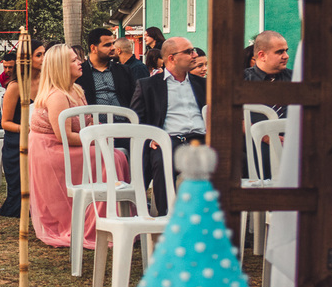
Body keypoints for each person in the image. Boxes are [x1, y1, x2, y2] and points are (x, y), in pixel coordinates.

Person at [28, 44, 128, 248]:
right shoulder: (57, 96)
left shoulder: (76, 89)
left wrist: (96, 131)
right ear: (60, 67)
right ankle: (99, 223)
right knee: (107, 156)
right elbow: (64, 136)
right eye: (74, 60)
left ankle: (113, 218)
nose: (80, 62)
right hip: (52, 151)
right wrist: (97, 138)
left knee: (117, 154)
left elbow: (86, 123)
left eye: (78, 59)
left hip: (67, 145)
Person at [130, 37, 207, 216]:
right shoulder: (148, 85)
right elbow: (135, 119)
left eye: (193, 50)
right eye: (189, 51)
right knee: (162, 159)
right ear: (171, 58)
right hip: (168, 139)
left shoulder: (203, 84)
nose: (195, 55)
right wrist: (149, 139)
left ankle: (216, 220)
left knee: (231, 159)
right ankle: (167, 220)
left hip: (202, 139)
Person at [0, 39, 45, 218]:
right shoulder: (15, 86)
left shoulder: (47, 82)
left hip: (43, 136)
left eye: (44, 54)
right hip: (19, 139)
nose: (43, 58)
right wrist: (25, 129)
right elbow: (5, 122)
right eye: (38, 55)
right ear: (26, 59)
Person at [79, 28, 136, 115]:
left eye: (113, 44)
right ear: (93, 48)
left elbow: (135, 99)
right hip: (93, 126)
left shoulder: (124, 71)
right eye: (107, 45)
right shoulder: (80, 73)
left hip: (123, 123)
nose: (113, 48)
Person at [244, 30, 292, 115]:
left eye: (286, 51)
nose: (286, 56)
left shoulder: (295, 79)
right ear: (262, 55)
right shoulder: (242, 81)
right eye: (280, 52)